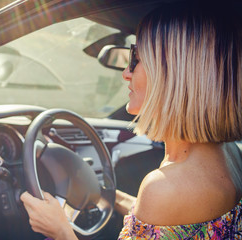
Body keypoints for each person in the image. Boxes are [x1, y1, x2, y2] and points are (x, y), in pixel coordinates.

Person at [20, 2, 242, 239]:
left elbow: (164, 202)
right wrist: (106, 194)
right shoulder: (228, 155)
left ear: (170, 76)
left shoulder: (164, 187)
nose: (126, 72)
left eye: (136, 59)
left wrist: (59, 229)